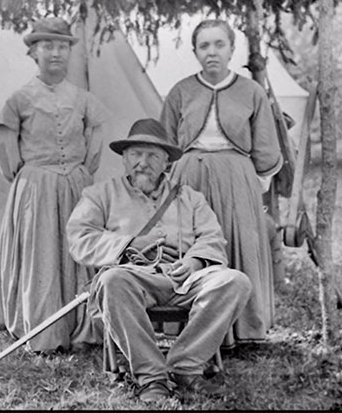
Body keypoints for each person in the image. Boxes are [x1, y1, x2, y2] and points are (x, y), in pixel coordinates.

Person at [66, 118, 252, 403]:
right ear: (124, 159)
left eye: (152, 155)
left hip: (186, 278)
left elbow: (212, 237)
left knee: (235, 281)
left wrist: (193, 262)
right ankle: (151, 377)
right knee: (112, 280)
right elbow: (80, 237)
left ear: (166, 161)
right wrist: (129, 243)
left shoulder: (189, 197)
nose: (143, 162)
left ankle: (185, 368)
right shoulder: (100, 195)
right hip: (134, 277)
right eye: (136, 155)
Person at [159, 19, 283, 347]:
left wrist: (255, 184)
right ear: (195, 52)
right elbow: (166, 142)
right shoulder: (181, 91)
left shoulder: (251, 92)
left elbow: (266, 147)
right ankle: (189, 327)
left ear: (231, 49)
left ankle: (242, 329)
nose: (212, 52)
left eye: (219, 45)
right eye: (204, 46)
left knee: (237, 241)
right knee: (192, 244)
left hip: (236, 177)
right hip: (190, 177)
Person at [0, 16, 107, 353]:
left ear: (69, 52)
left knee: (78, 250)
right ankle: (45, 330)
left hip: (75, 185)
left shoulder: (83, 98)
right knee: (42, 252)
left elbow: (95, 139)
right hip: (37, 187)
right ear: (33, 53)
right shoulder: (19, 99)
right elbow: (4, 150)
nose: (55, 53)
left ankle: (82, 326)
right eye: (47, 46)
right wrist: (30, 178)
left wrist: (79, 173)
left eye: (61, 46)